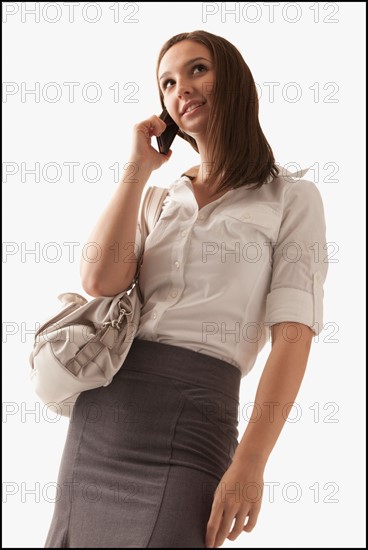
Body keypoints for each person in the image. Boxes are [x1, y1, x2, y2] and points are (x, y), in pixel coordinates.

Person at [44, 30, 328, 548]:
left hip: (198, 416)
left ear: (234, 81)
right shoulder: (158, 199)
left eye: (198, 69)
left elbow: (294, 333)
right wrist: (138, 167)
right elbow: (98, 281)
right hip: (106, 412)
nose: (182, 88)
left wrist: (252, 464)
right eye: (168, 82)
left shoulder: (290, 198)